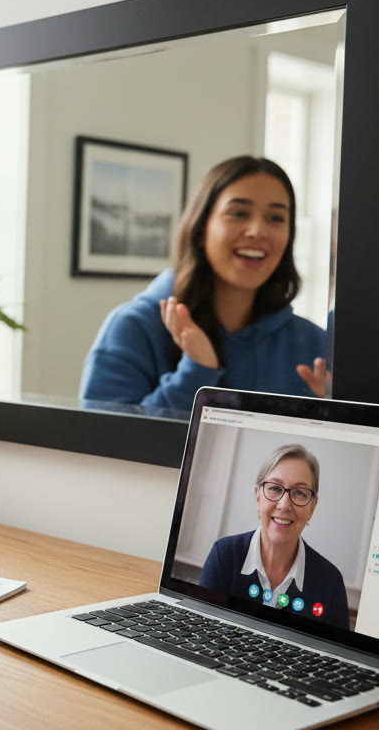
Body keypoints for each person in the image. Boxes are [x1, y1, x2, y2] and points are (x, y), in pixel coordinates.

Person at [79, 156, 326, 410]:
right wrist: (196, 373)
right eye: (238, 213)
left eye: (276, 218)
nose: (257, 231)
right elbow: (101, 442)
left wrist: (337, 416)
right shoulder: (133, 327)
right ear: (200, 230)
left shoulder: (316, 345)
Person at [198, 444, 350, 629]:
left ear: (312, 507)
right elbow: (202, 630)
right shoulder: (224, 555)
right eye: (275, 488)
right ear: (258, 497)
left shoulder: (330, 582)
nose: (284, 505)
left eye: (300, 493)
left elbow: (333, 655)